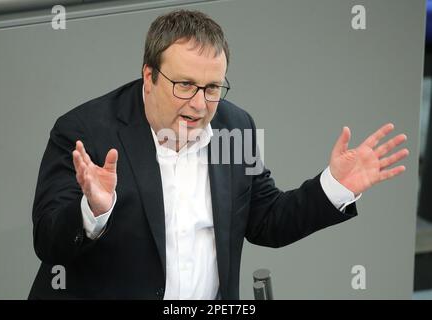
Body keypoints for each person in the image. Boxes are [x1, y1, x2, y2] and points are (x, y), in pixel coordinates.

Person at [29, 10, 409, 300]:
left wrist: (335, 187)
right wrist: (92, 211)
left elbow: (266, 221)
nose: (199, 104)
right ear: (149, 77)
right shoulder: (84, 131)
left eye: (212, 87)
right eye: (185, 85)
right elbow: (48, 243)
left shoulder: (233, 126)